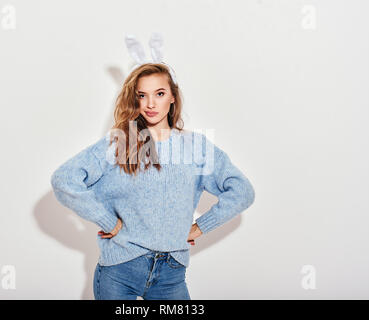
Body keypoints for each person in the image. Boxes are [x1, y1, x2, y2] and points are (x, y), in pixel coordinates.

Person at [51, 44, 255, 300]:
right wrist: (108, 222)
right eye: (141, 95)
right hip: (119, 270)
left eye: (159, 93)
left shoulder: (197, 147)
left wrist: (201, 226)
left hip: (171, 274)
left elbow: (242, 192)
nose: (150, 104)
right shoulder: (118, 143)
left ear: (172, 96)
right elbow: (64, 180)